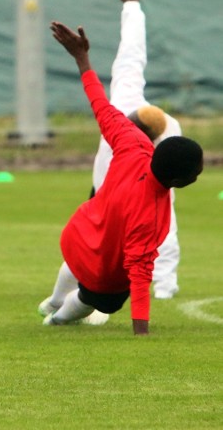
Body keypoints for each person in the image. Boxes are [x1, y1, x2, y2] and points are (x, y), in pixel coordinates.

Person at [39, 21, 202, 335]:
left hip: (78, 235)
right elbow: (140, 275)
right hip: (99, 267)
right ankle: (56, 318)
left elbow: (100, 105)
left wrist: (82, 60)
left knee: (81, 258)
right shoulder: (152, 214)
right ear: (179, 183)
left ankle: (54, 300)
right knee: (105, 297)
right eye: (196, 173)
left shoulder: (131, 143)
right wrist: (141, 329)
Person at [90, 0, 183, 300]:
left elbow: (163, 214)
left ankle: (156, 286)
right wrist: (131, 5)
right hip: (105, 192)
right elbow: (132, 54)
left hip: (119, 195)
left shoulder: (158, 133)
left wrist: (165, 284)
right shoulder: (129, 102)